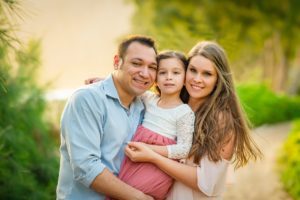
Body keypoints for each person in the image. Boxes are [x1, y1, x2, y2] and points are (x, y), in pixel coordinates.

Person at [125, 41, 262, 199]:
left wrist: (153, 156)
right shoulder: (173, 105)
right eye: (193, 70)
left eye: (207, 74)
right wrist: (114, 83)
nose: (197, 79)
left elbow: (208, 183)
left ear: (218, 79)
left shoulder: (220, 120)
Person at [56, 35, 158, 200]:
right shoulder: (87, 99)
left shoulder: (144, 105)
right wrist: (140, 198)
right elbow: (86, 168)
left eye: (152, 67)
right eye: (136, 63)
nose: (145, 73)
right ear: (117, 61)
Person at [112, 51, 195, 200]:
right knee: (121, 190)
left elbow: (184, 149)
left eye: (176, 73)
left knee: (140, 194)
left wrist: (149, 149)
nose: (169, 77)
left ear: (184, 79)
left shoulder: (184, 112)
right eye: (162, 72)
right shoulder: (148, 98)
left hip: (158, 166)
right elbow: (126, 88)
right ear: (155, 78)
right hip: (134, 160)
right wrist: (105, 81)